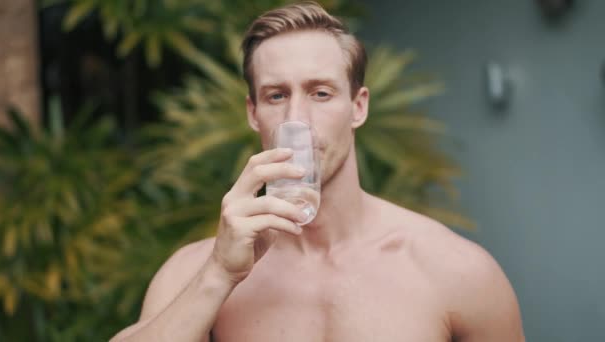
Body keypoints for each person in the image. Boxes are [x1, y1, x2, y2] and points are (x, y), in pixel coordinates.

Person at [111, 2, 525, 341]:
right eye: (276, 95)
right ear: (253, 113)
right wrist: (219, 275)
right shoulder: (196, 271)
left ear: (358, 106)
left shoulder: (455, 270)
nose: (297, 119)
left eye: (320, 93)